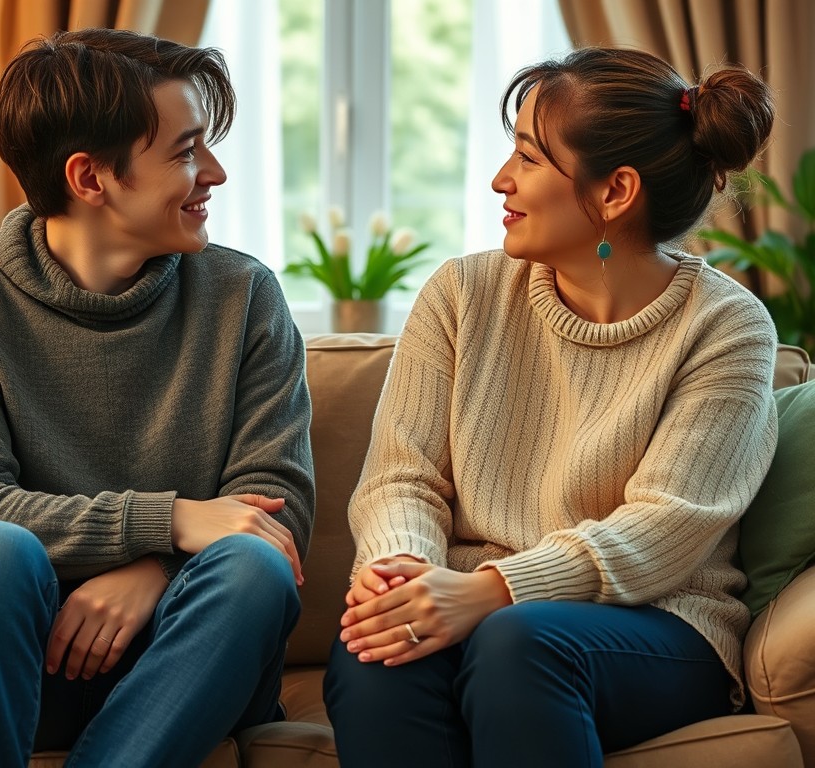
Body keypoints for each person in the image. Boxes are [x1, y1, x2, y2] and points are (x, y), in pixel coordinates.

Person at [323, 46, 778, 766]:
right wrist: (401, 573)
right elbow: (400, 478)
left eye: (530, 158)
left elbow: (670, 523)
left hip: (655, 625)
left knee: (518, 641)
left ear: (614, 191)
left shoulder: (726, 325)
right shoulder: (461, 295)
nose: (501, 179)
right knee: (378, 650)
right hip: (475, 608)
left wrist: (496, 590)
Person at [0, 28, 314, 768]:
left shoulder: (243, 296)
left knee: (254, 568)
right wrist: (172, 519)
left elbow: (272, 509)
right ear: (90, 178)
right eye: (186, 152)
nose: (213, 173)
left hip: (186, 655)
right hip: (3, 655)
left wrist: (152, 569)